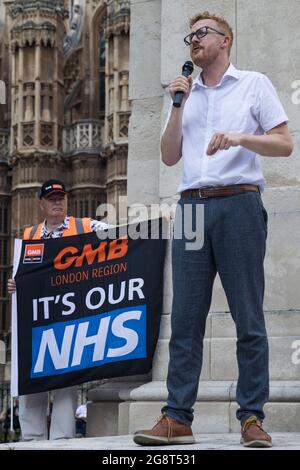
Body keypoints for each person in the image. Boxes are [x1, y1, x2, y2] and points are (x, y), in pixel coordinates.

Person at [133, 11, 293, 448]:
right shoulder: (186, 94)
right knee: (185, 319)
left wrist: (242, 138)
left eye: (201, 33)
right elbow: (168, 157)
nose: (193, 41)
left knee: (248, 316)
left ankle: (252, 417)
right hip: (190, 209)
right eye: (190, 36)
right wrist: (176, 106)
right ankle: (177, 417)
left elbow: (284, 143)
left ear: (225, 40)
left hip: (239, 203)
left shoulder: (253, 84)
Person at [7, 179, 109, 441]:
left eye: (61, 198)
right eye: (52, 199)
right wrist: (14, 284)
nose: (57, 202)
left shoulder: (84, 227)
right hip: (36, 318)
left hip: (68, 317)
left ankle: (62, 441)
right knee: (31, 377)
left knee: (65, 379)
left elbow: (118, 233)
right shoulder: (29, 236)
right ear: (41, 204)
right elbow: (23, 275)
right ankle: (31, 440)